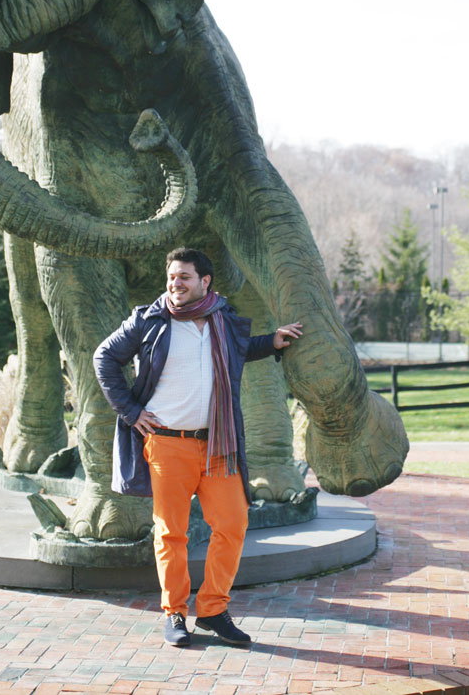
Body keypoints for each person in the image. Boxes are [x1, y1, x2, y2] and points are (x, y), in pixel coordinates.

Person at [93, 246, 302, 647]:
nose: (176, 284)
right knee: (171, 532)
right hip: (167, 446)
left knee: (233, 524)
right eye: (172, 278)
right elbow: (105, 357)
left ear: (205, 282)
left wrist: (273, 341)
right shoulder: (149, 320)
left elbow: (242, 351)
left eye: (184, 277)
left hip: (217, 444)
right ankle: (175, 613)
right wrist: (131, 411)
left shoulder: (222, 320)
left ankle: (212, 610)